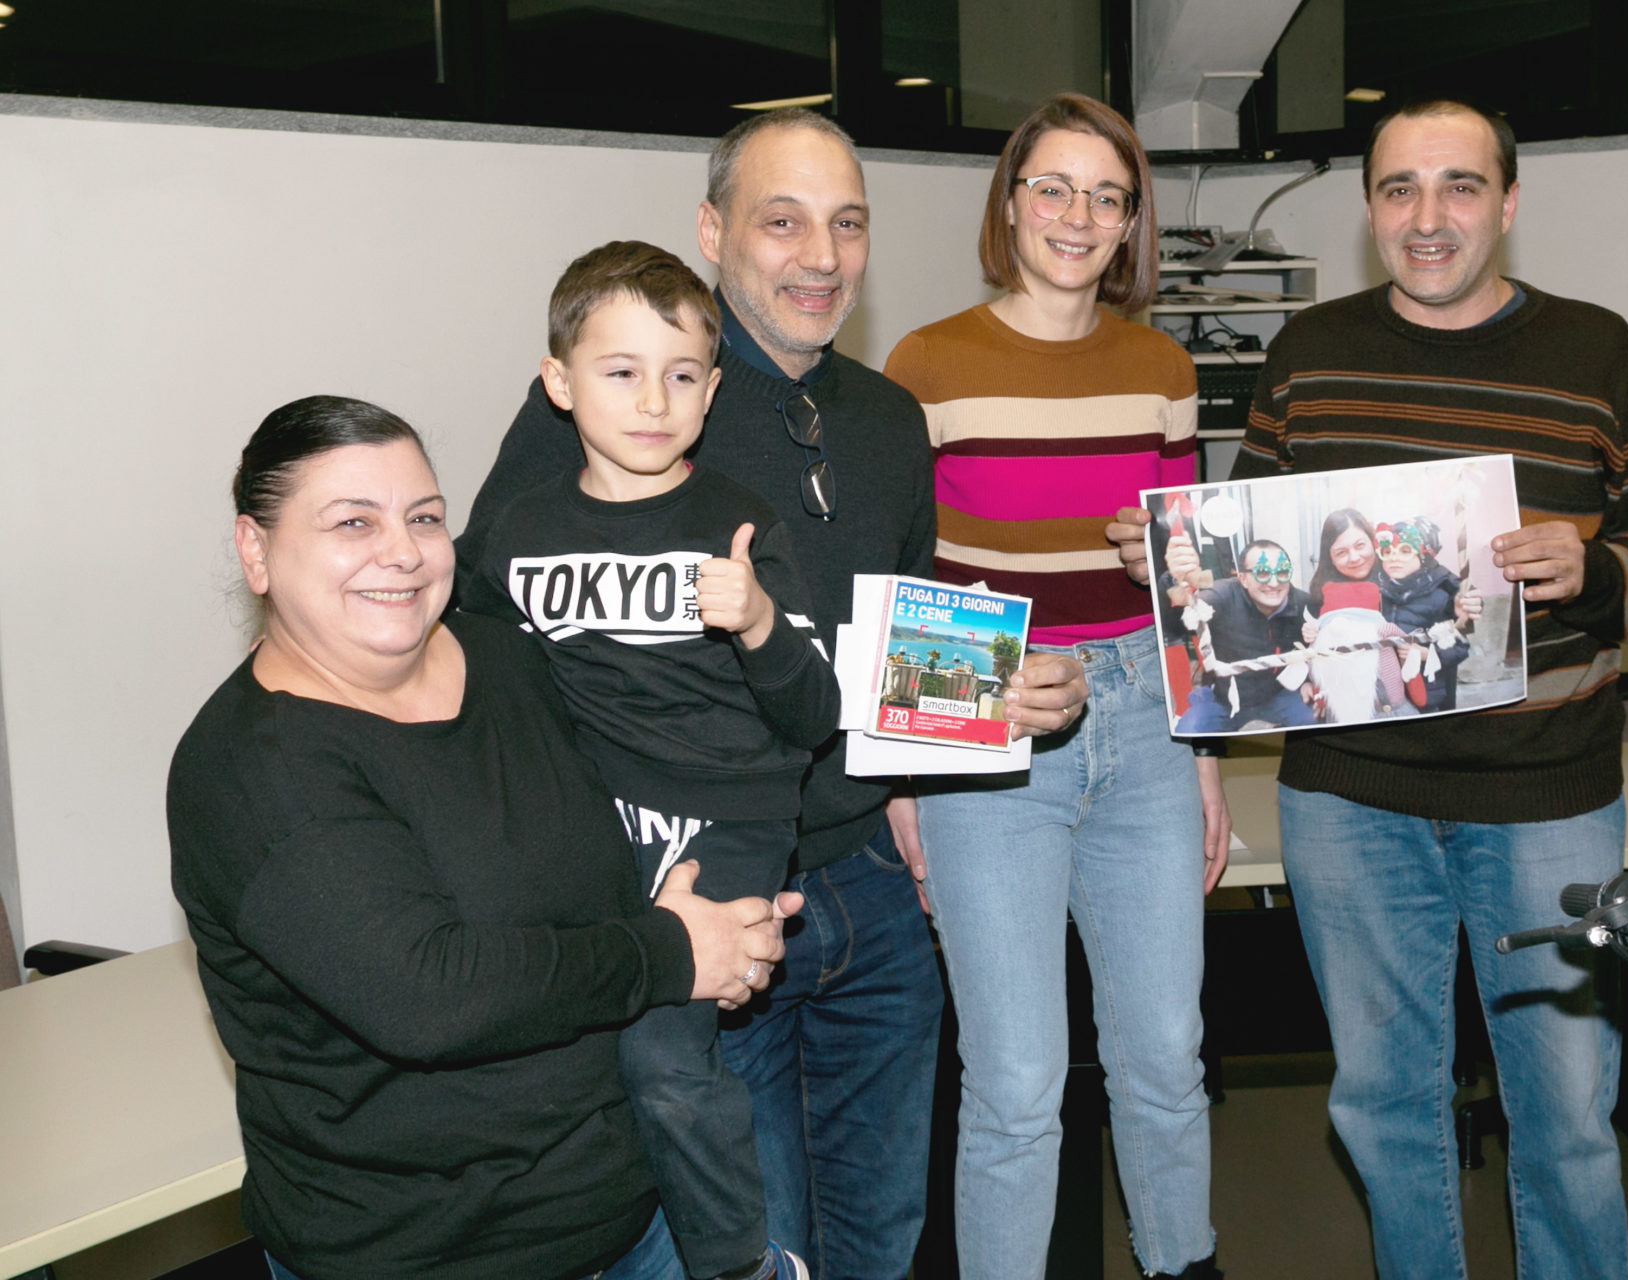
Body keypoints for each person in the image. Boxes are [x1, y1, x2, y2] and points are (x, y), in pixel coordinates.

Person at [454, 109, 1090, 1278]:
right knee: (759, 1242)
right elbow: (494, 640)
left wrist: (990, 693)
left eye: (848, 223)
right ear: (712, 231)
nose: (822, 256)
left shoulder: (889, 419)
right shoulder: (615, 405)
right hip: (701, 893)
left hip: (872, 889)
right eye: (782, 221)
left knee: (881, 1234)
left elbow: (869, 646)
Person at [1116, 97, 1628, 1278]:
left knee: (1568, 1122)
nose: (1427, 217)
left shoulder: (1597, 350)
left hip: (1547, 797)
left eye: (1459, 186)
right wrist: (1186, 568)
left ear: (1509, 201)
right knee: (1384, 1108)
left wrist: (1594, 569)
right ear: (1370, 208)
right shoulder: (1308, 352)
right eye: (1399, 189)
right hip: (1350, 802)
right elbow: (1258, 557)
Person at [169, 396, 799, 1280]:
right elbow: (430, 996)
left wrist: (723, 923)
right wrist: (671, 953)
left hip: (637, 1217)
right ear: (255, 549)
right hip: (425, 1253)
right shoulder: (251, 770)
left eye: (425, 518)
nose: (402, 551)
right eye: (354, 522)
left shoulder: (507, 659)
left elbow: (618, 853)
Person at [882, 92, 1225, 1280]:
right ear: (1012, 202)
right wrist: (909, 775)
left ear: (1131, 223)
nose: (1079, 215)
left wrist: (1205, 753)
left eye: (1108, 196)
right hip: (989, 715)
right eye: (1054, 188)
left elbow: (1191, 583)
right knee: (1018, 1080)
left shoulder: (1164, 368)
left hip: (1147, 719)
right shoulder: (927, 362)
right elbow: (905, 575)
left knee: (1166, 1057)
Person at [464, 243, 836, 1280]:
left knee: (664, 1053)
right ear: (559, 383)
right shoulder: (519, 532)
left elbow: (816, 714)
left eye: (680, 375)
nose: (652, 401)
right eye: (621, 371)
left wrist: (759, 622)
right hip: (593, 823)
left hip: (728, 815)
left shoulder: (737, 524)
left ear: (712, 392)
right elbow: (478, 685)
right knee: (565, 1044)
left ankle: (742, 1264)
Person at [1163, 536, 1315, 732]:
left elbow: (1322, 652)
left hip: (1278, 694)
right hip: (1224, 698)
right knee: (1190, 729)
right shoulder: (1222, 595)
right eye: (1262, 573)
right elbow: (1177, 621)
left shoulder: (1304, 604)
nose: (1274, 582)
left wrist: (1308, 681)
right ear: (1243, 579)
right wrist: (1174, 581)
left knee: (1315, 719)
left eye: (1282, 572)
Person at [1375, 516, 1471, 712]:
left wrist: (1427, 654)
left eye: (1405, 551)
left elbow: (1460, 647)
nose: (1394, 557)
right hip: (1386, 694)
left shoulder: (1441, 596)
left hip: (1426, 695)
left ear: (1424, 556)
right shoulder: (1376, 592)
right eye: (1387, 552)